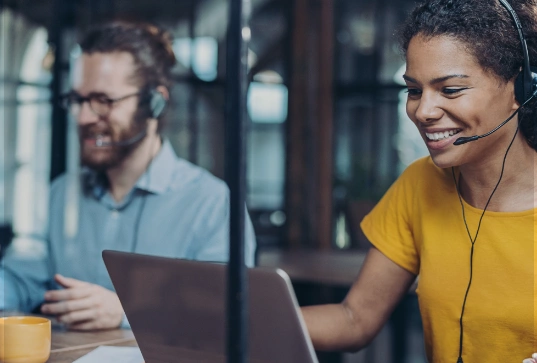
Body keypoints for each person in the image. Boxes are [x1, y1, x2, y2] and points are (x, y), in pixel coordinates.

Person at [301, 0, 537, 362]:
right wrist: (232, 320)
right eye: (414, 90)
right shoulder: (420, 183)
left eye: (451, 90)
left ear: (519, 89)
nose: (423, 112)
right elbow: (355, 319)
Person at [0, 21, 256, 330]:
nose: (83, 117)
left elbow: (226, 315)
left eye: (103, 101)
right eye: (79, 100)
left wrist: (126, 312)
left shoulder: (212, 204)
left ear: (154, 103)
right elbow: (22, 279)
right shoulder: (60, 194)